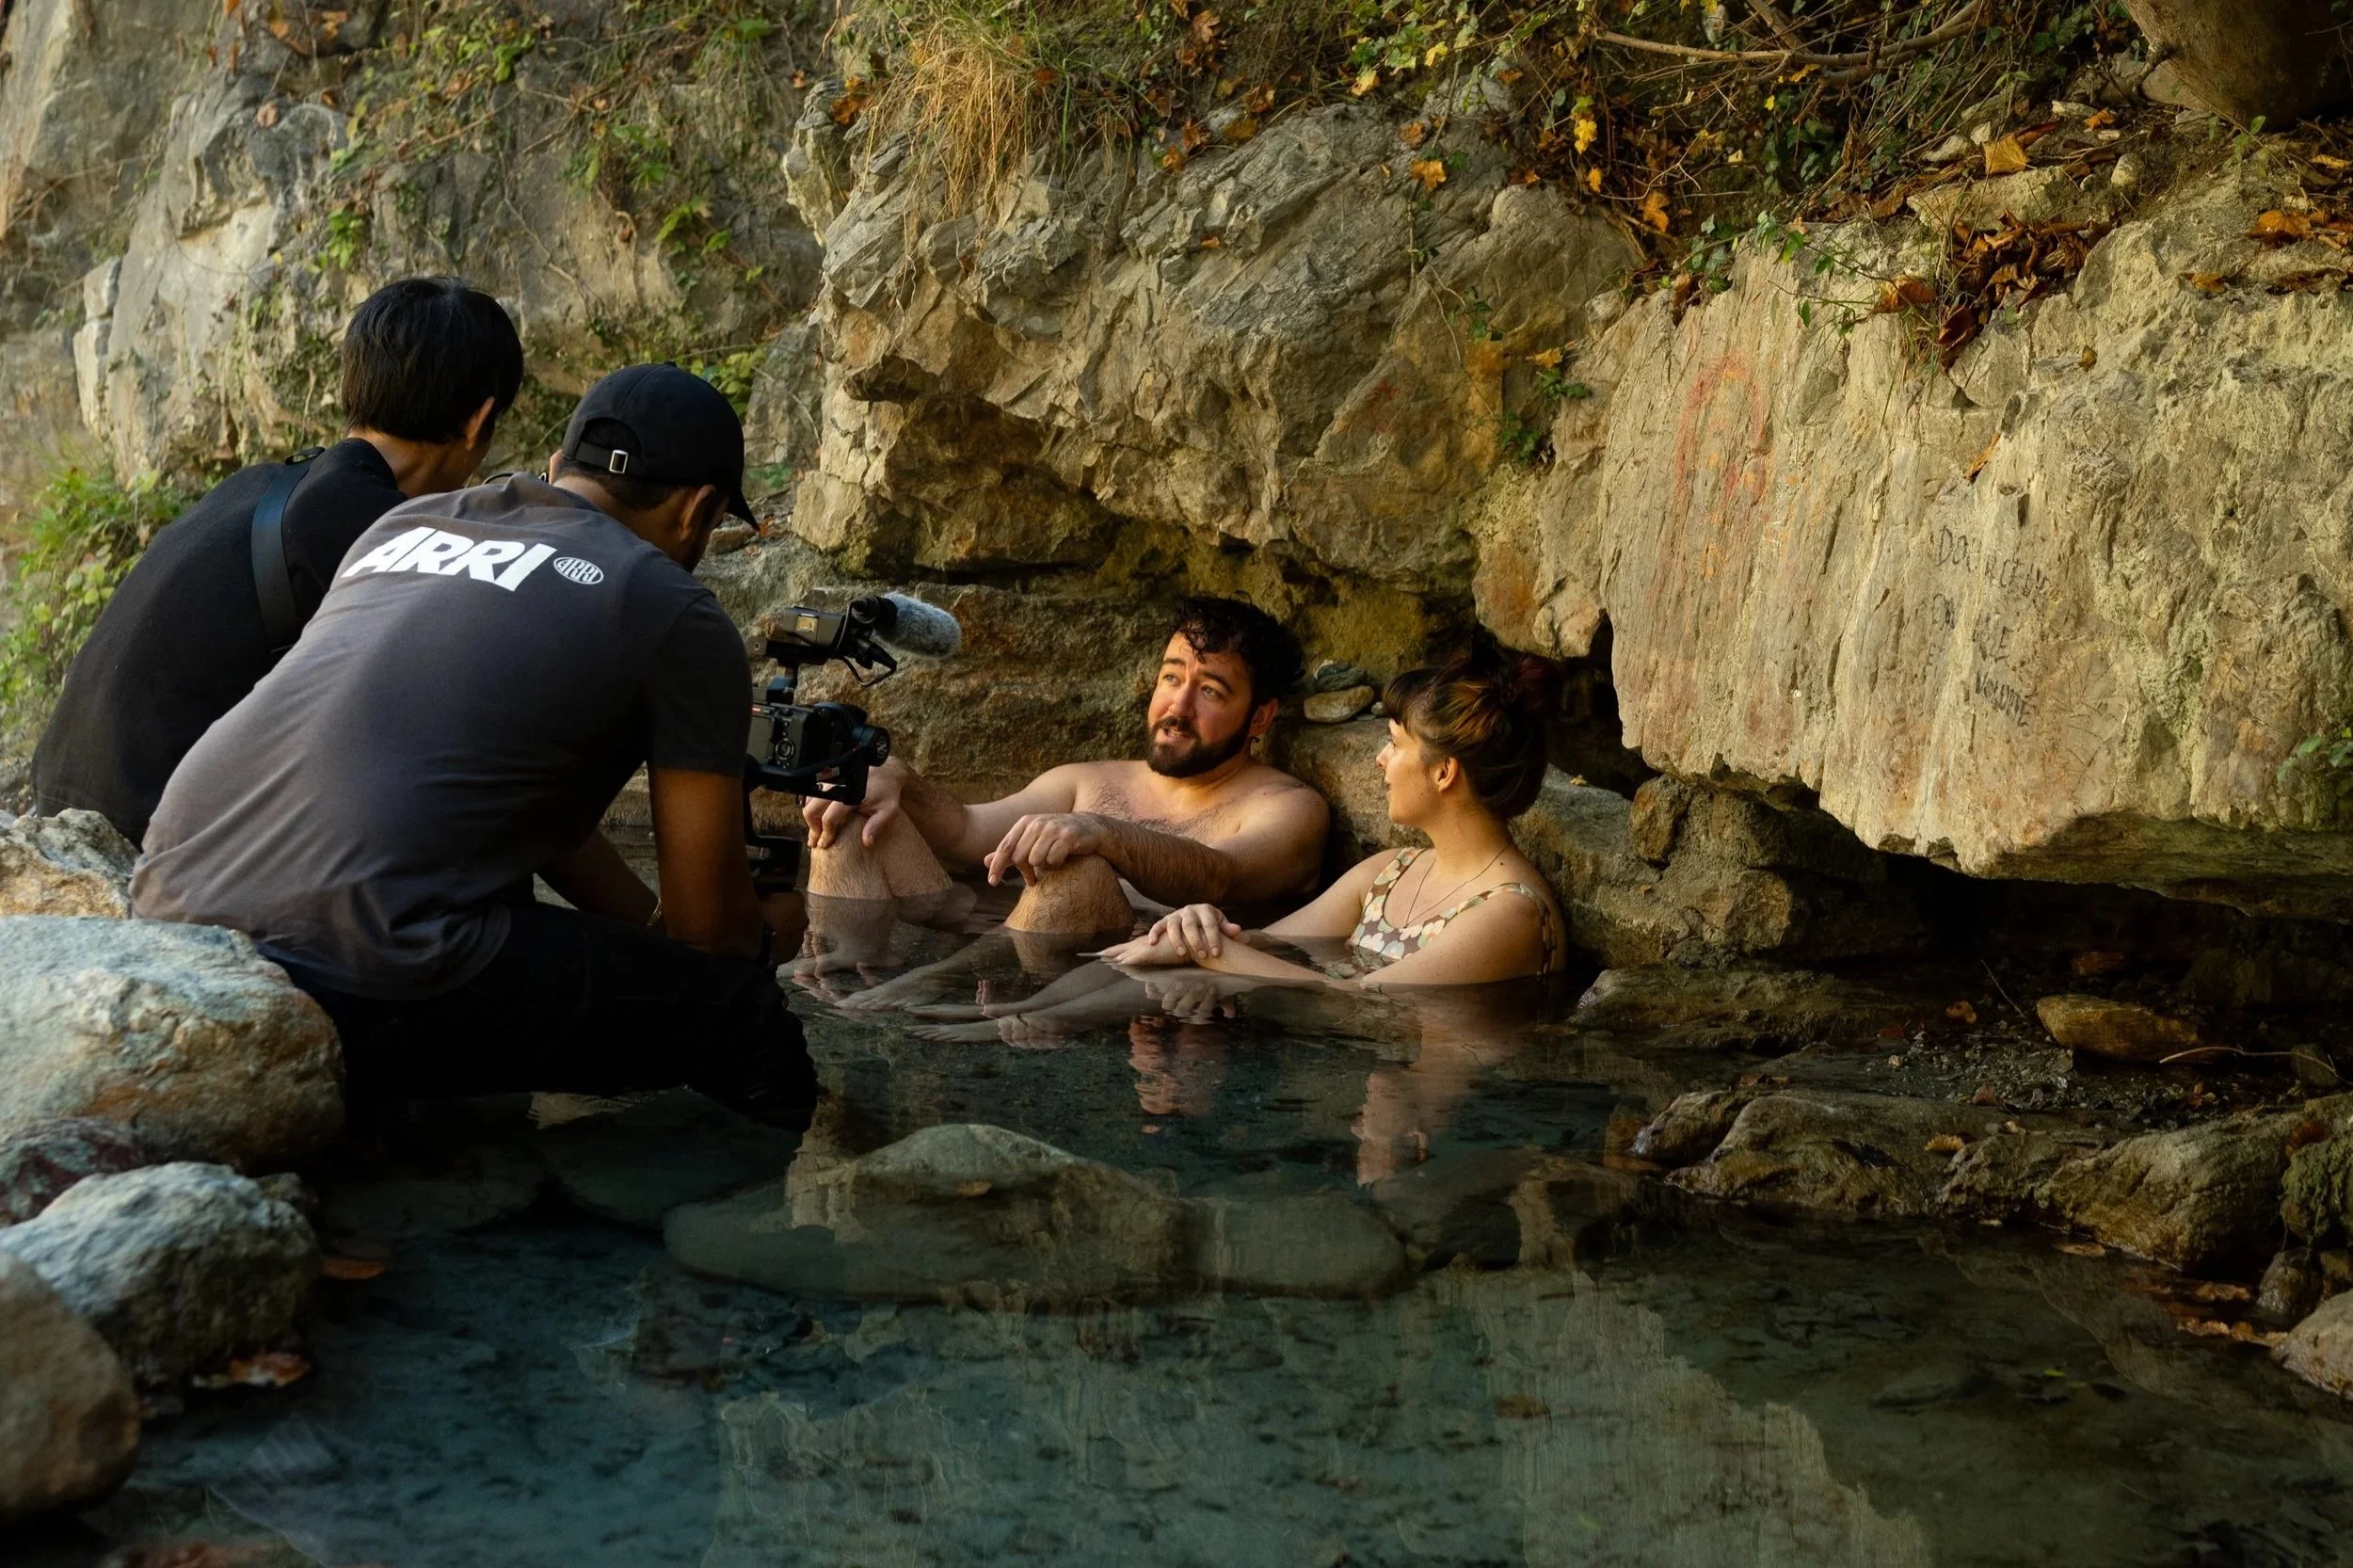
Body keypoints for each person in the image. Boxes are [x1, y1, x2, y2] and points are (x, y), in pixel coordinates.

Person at [130, 363, 814, 1124]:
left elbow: (496, 796)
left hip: (169, 915)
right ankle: (753, 1201)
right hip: (357, 961)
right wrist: (763, 939)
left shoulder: (403, 526)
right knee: (746, 1025)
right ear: (699, 509)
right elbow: (708, 933)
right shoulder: (671, 607)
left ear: (557, 466)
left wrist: (644, 938)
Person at [31, 276, 524, 844]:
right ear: (478, 422)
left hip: (56, 812)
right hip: (144, 844)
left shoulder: (256, 486)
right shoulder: (382, 533)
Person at [801, 595, 1330, 938]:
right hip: (997, 947)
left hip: (1125, 986)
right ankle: (836, 990)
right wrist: (898, 780)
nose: (1179, 707)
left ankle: (938, 993)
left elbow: (1221, 878)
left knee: (1079, 867)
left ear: (1260, 716)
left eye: (1210, 691)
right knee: (851, 808)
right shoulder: (1085, 781)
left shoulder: (1290, 808)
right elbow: (965, 832)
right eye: (1171, 678)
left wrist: (1100, 833)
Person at [1096, 650, 1567, 988]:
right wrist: (1198, 926)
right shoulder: (1391, 869)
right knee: (1135, 971)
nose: (1381, 759)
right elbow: (1268, 943)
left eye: (1395, 744)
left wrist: (1208, 952)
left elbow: (1362, 1002)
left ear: (1444, 773)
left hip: (1432, 1097)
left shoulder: (1512, 914)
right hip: (1374, 1076)